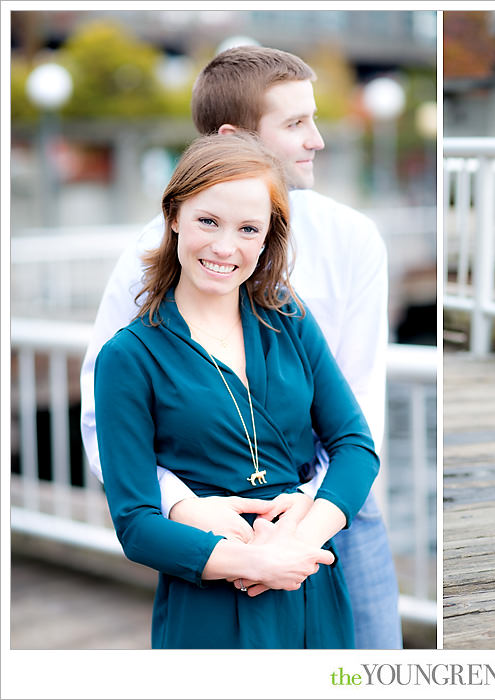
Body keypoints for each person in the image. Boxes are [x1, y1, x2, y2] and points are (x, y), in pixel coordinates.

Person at [80, 46, 403, 647]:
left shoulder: (340, 254)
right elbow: (110, 420)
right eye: (295, 123)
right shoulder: (142, 280)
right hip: (204, 535)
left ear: (268, 238)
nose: (317, 140)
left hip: (328, 515)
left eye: (250, 230)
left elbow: (357, 414)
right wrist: (192, 513)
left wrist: (301, 527)